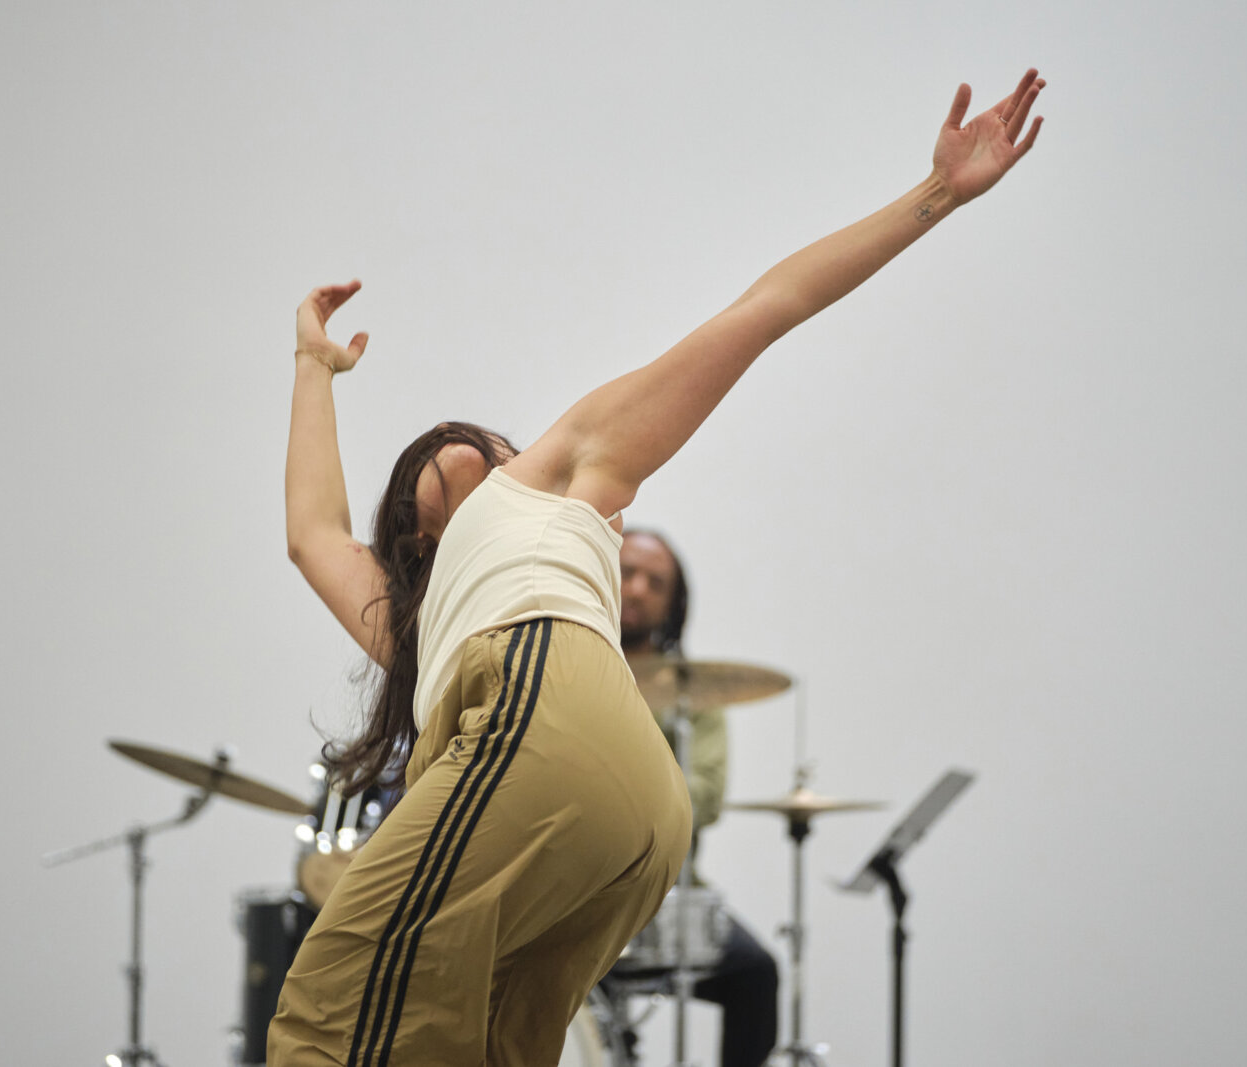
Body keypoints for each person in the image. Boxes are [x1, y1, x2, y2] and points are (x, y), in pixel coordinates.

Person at [272, 69, 1046, 1066]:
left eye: (463, 446)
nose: (443, 453)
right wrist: (311, 365)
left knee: (333, 1001)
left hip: (541, 731)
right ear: (413, 548)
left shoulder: (555, 475)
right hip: (632, 814)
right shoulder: (420, 624)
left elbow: (760, 310)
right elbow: (310, 532)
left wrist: (931, 196)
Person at [616, 528, 780, 1067]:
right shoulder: (561, 665)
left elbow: (705, 798)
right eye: (625, 571)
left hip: (666, 898)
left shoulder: (694, 693)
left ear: (672, 604)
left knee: (756, 972)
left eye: (655, 582)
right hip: (575, 891)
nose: (636, 589)